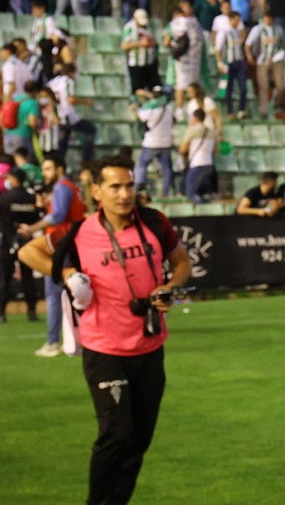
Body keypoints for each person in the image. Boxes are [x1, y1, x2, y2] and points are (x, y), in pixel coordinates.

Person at [18, 154, 190, 505]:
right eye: (115, 186)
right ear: (97, 190)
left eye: (129, 185)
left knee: (139, 439)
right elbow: (28, 251)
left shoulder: (155, 222)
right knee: (116, 434)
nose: (125, 194)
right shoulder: (79, 230)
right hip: (104, 350)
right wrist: (66, 275)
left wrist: (168, 288)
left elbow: (182, 261)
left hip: (150, 345)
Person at [17, 151, 86, 356]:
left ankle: (53, 342)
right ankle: (73, 340)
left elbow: (57, 217)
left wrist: (31, 229)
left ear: (60, 169)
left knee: (54, 294)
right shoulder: (66, 187)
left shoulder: (62, 187)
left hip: (60, 245)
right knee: (68, 293)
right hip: (66, 243)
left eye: (48, 169)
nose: (45, 173)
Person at [0, 168, 40, 323]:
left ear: (14, 179)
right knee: (28, 277)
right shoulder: (30, 198)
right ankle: (32, 312)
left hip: (7, 242)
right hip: (27, 242)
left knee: (5, 278)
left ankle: (2, 313)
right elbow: (36, 218)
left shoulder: (4, 198)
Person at [131, 86, 176, 198]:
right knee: (166, 169)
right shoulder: (168, 108)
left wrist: (135, 108)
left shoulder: (150, 108)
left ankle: (140, 186)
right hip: (166, 143)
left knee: (142, 165)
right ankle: (166, 192)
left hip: (151, 142)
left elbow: (140, 117)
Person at [246, 12, 284, 121]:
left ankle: (275, 103)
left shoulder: (278, 29)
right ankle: (264, 110)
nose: (269, 20)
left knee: (280, 85)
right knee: (264, 86)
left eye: (270, 18)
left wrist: (278, 56)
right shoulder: (257, 29)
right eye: (267, 18)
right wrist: (250, 56)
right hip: (262, 60)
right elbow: (249, 44)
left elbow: (282, 44)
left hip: (276, 59)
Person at [216, 9, 248, 120]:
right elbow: (218, 49)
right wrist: (220, 63)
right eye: (236, 20)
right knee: (228, 88)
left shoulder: (237, 33)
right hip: (228, 63)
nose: (238, 22)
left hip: (239, 62)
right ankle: (230, 111)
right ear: (231, 19)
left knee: (243, 87)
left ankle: (241, 110)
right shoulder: (223, 32)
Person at [178, 108, 216, 203]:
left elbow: (182, 149)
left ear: (194, 118)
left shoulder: (192, 130)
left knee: (190, 192)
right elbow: (215, 150)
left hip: (197, 163)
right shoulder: (212, 132)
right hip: (209, 164)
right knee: (201, 192)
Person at [4, 79, 42, 157]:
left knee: (9, 160)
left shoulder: (16, 99)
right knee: (24, 162)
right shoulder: (32, 103)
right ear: (35, 91)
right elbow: (32, 122)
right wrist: (36, 131)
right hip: (22, 136)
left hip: (8, 134)